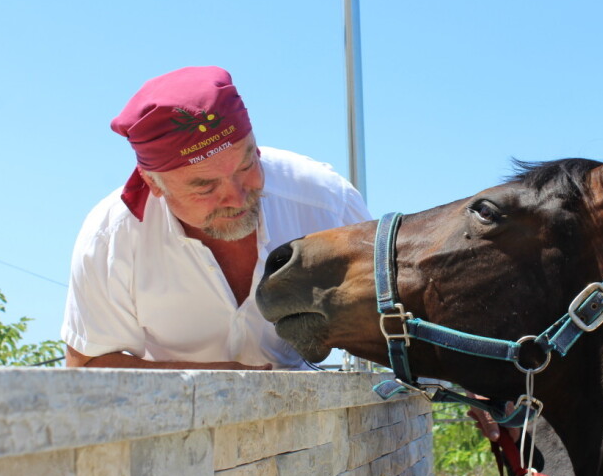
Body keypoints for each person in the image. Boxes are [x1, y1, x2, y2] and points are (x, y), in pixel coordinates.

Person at [61, 66, 371, 370]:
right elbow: (87, 363)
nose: (236, 198)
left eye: (246, 166)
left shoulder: (326, 200)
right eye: (205, 187)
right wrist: (214, 385)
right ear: (154, 184)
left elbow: (390, 316)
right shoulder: (110, 236)